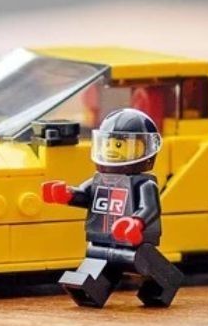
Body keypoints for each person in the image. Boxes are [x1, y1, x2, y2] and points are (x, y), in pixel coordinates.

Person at [42, 108, 183, 308]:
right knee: (98, 265)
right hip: (101, 241)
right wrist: (66, 194)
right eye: (108, 143)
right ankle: (90, 290)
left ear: (145, 148)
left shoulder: (144, 184)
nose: (111, 150)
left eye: (119, 145)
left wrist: (135, 223)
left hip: (134, 243)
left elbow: (150, 208)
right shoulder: (99, 180)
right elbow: (85, 196)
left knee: (142, 261)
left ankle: (164, 285)